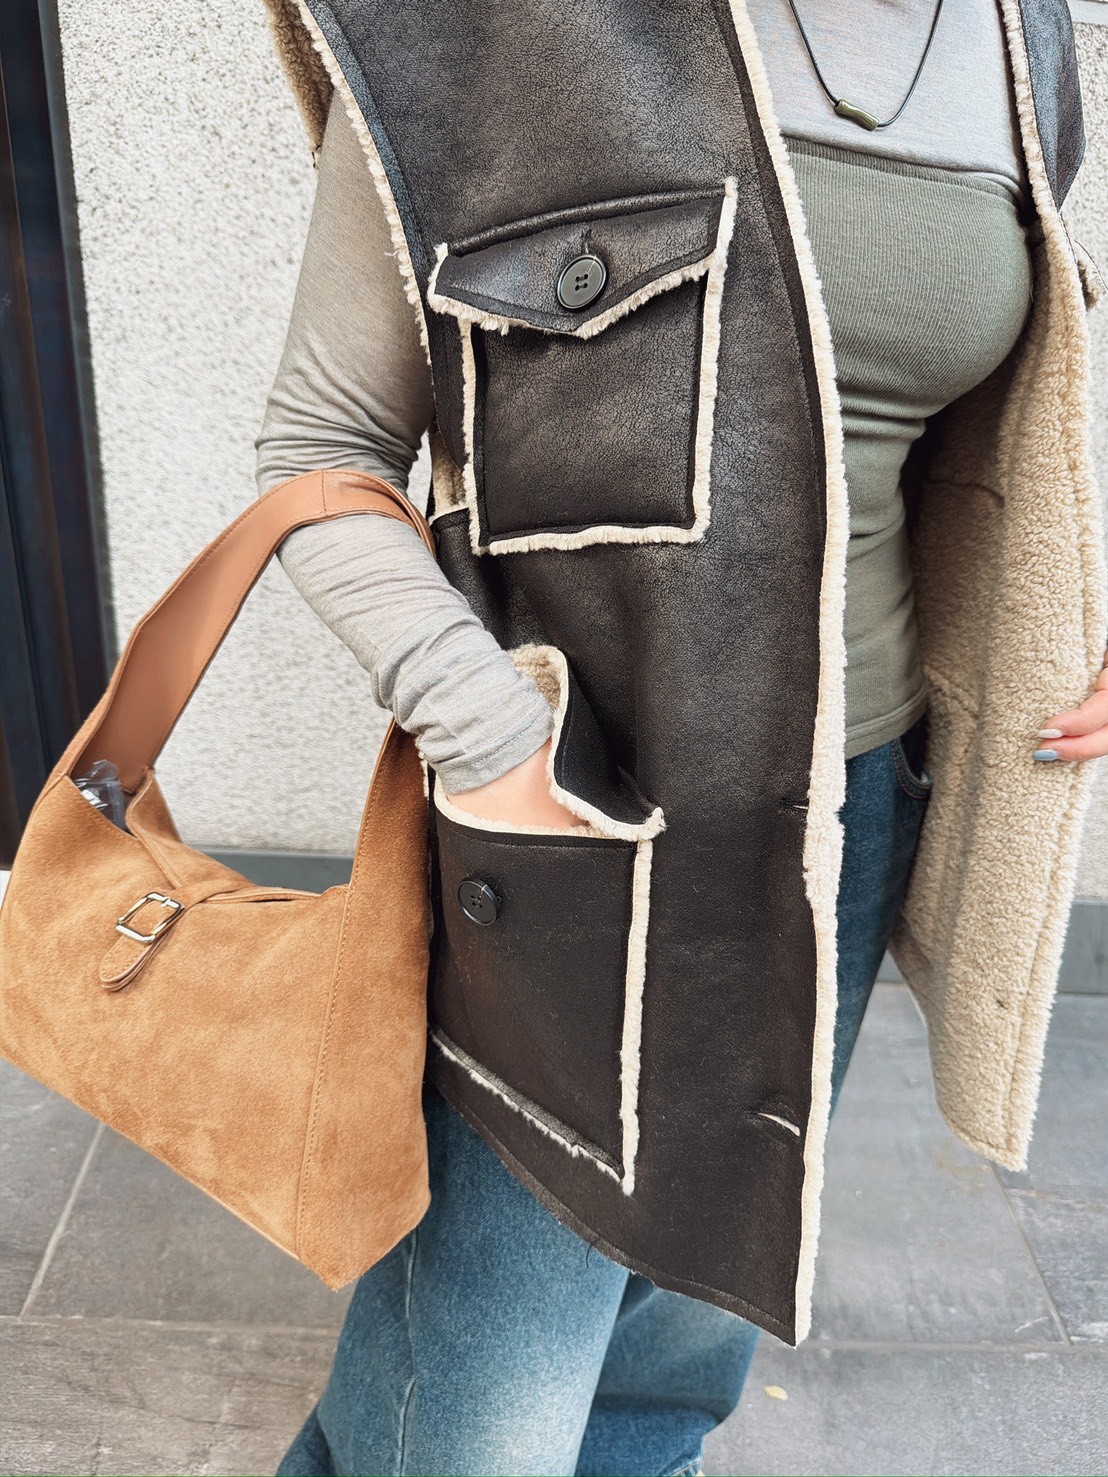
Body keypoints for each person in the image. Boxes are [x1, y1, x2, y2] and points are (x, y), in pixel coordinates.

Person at [254, 1, 1107, 1472]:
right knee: (480, 1421)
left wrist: (1077, 587)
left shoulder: (1017, 39)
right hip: (574, 834)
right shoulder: (487, 27)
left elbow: (985, 405)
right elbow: (321, 447)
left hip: (853, 810)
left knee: (681, 1350)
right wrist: (494, 740)